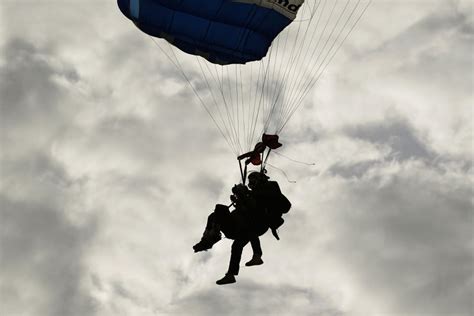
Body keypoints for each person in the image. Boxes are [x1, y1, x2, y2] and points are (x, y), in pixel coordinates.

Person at [193, 184, 267, 285]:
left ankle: (231, 274)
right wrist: (238, 202)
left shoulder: (252, 200)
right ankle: (208, 239)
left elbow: (251, 209)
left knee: (237, 245)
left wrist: (242, 199)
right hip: (238, 229)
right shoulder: (240, 206)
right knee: (215, 214)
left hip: (247, 228)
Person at [247, 171, 291, 240]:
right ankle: (272, 224)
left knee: (264, 204)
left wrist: (251, 192)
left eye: (253, 180)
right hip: (271, 208)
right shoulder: (256, 191)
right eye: (251, 181)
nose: (252, 183)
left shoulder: (272, 184)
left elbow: (268, 195)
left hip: (281, 205)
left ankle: (274, 223)